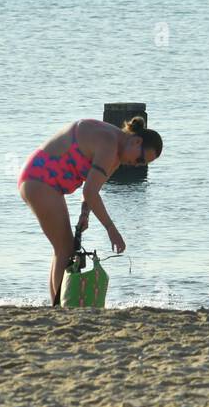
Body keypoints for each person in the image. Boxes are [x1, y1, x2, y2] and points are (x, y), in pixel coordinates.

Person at [18, 116, 162, 304]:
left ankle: (59, 303)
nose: (136, 165)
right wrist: (111, 229)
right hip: (39, 179)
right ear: (136, 141)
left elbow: (92, 189)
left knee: (64, 249)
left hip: (45, 182)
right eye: (140, 159)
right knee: (65, 249)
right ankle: (59, 305)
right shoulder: (109, 143)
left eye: (142, 164)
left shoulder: (116, 155)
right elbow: (90, 191)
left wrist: (84, 215)